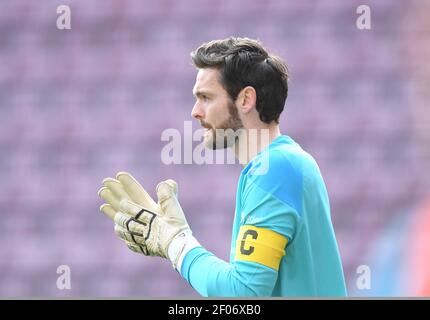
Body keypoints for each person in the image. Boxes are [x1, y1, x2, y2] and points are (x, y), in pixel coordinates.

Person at [98, 37, 347, 297]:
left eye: (205, 97)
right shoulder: (284, 164)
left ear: (245, 99)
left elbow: (243, 293)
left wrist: (176, 243)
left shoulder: (276, 169)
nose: (195, 111)